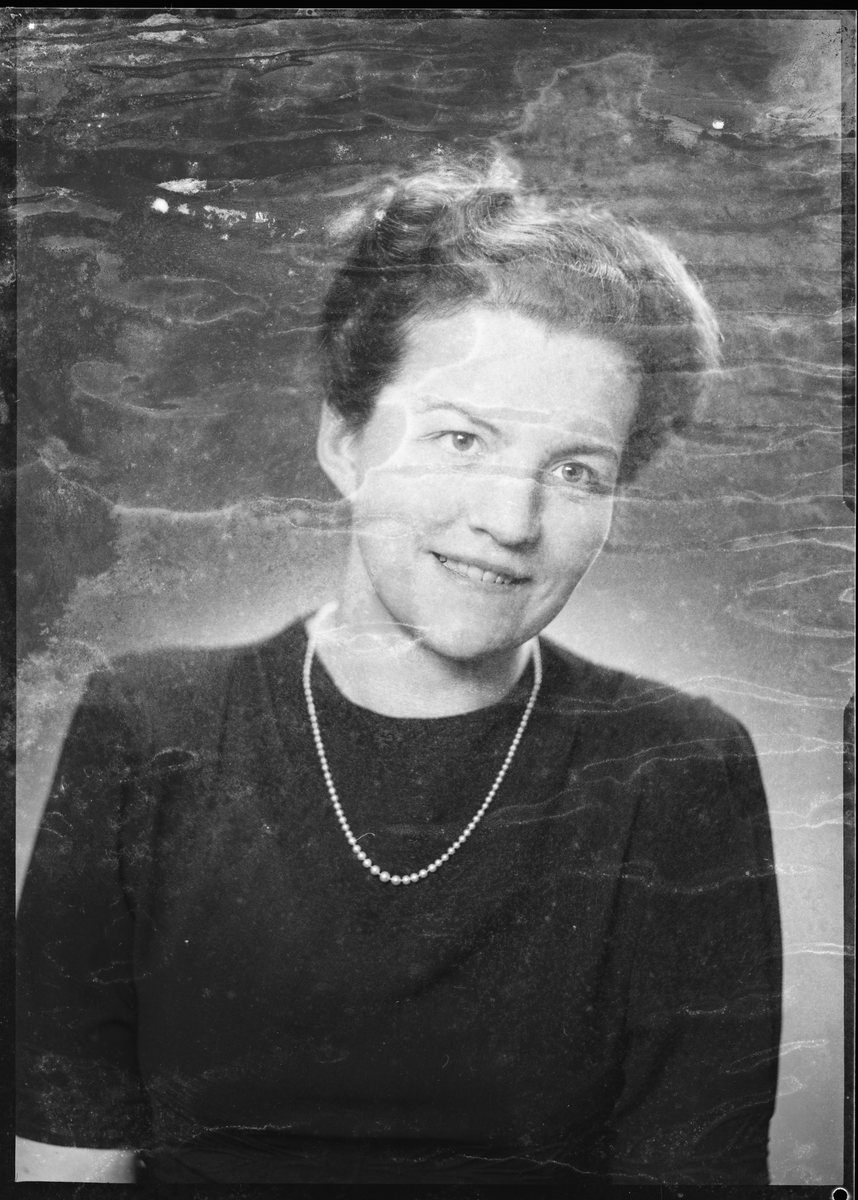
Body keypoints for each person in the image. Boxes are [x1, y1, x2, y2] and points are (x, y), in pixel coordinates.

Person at [16, 159, 782, 1187]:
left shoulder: (680, 766)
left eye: (575, 471)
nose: (510, 521)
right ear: (345, 443)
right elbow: (67, 1166)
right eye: (460, 438)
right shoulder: (147, 722)